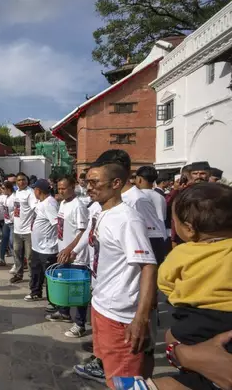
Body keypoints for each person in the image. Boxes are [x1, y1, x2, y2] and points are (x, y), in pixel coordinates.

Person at [73, 158, 157, 389]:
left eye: (94, 182)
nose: (88, 187)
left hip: (121, 314)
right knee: (110, 369)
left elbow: (148, 265)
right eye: (87, 182)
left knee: (125, 380)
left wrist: (141, 318)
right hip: (101, 304)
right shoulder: (101, 212)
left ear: (116, 183)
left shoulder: (127, 219)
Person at [151, 183, 231, 390]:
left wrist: (183, 293)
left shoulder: (182, 253)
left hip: (194, 322)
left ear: (188, 228)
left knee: (192, 363)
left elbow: (166, 284)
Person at [47, 176, 90, 336]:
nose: (61, 191)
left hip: (76, 256)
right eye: (59, 188)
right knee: (64, 283)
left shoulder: (78, 206)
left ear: (73, 187)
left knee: (78, 291)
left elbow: (83, 231)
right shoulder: (63, 203)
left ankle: (80, 324)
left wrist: (71, 249)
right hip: (63, 252)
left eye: (64, 188)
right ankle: (64, 312)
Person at [24, 179, 59, 302]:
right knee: (36, 271)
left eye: (34, 189)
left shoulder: (50, 204)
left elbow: (57, 224)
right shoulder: (42, 202)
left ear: (38, 191)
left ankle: (53, 301)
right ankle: (35, 292)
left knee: (49, 276)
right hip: (37, 247)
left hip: (48, 248)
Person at [12, 172, 37, 283]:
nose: (21, 182)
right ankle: (18, 274)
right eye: (19, 180)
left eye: (23, 180)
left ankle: (32, 277)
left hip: (28, 231)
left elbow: (35, 209)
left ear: (27, 181)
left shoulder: (30, 193)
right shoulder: (16, 192)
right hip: (17, 230)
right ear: (16, 182)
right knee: (17, 253)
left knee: (30, 257)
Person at [0, 181, 15, 267]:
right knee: (3, 240)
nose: (1, 190)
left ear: (8, 189)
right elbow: (2, 209)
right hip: (6, 221)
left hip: (13, 223)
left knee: (12, 242)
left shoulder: (14, 197)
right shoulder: (3, 197)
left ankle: (17, 262)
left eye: (3, 188)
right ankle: (1, 259)